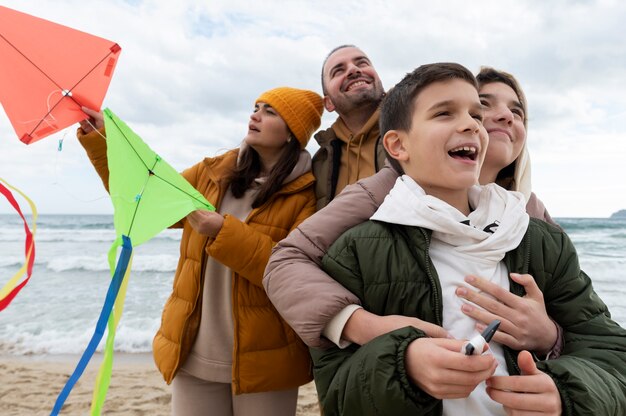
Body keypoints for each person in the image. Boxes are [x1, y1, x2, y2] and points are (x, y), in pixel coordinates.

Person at [310, 63, 626, 415]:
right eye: (445, 113)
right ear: (397, 145)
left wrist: (563, 394)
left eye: (476, 113)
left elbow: (609, 353)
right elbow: (335, 389)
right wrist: (404, 364)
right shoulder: (355, 249)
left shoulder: (539, 240)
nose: (472, 124)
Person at [264, 67, 560, 356]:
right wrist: (363, 325)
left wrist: (550, 336)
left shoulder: (530, 210)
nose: (505, 116)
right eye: (483, 106)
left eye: (517, 112)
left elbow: (581, 318)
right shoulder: (388, 189)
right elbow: (288, 260)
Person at [77, 87, 323, 416]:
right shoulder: (213, 172)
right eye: (255, 107)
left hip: (266, 361)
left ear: (293, 133)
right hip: (194, 353)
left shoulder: (307, 193)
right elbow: (146, 196)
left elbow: (291, 270)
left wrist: (222, 231)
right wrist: (102, 138)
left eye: (270, 111)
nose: (255, 115)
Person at [313, 44, 387, 209]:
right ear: (329, 102)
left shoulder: (414, 129)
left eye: (362, 63)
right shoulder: (318, 164)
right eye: (338, 71)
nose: (353, 70)